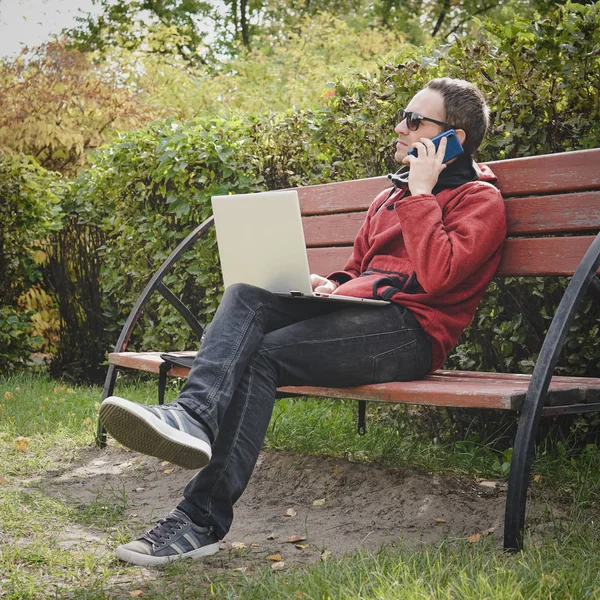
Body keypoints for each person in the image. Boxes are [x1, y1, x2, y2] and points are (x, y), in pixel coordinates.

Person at [99, 77, 507, 566]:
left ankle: (199, 521)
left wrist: (421, 195)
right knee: (247, 295)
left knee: (262, 358)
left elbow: (439, 277)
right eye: (404, 115)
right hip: (364, 313)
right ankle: (191, 417)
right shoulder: (388, 198)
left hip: (412, 332)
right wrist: (332, 285)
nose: (400, 127)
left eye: (415, 121)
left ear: (452, 138)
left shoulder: (479, 201)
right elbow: (361, 269)